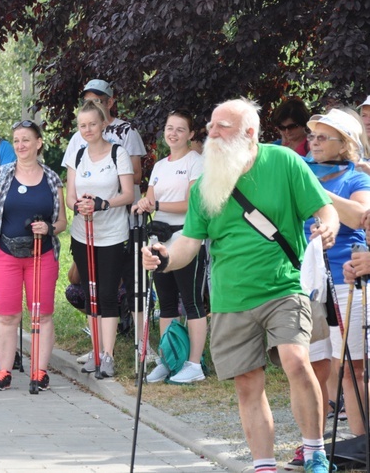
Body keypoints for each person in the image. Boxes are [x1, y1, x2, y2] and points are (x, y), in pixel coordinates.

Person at [142, 98, 339, 473]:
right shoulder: (205, 185)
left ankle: (314, 453)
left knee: (296, 362)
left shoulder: (284, 162)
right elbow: (188, 243)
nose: (212, 133)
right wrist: (164, 257)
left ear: (250, 132)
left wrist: (328, 225)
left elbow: (324, 206)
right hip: (230, 297)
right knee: (248, 384)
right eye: (211, 126)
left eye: (223, 126)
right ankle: (263, 465)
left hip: (284, 287)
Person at [0, 120, 67, 391]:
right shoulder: (2, 174)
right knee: (7, 316)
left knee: (42, 314)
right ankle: (4, 371)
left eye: (26, 140)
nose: (21, 145)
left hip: (42, 254)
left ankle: (40, 371)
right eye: (16, 140)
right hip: (5, 253)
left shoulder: (51, 179)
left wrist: (49, 228)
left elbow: (62, 222)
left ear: (38, 143)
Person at [304, 109, 370, 438]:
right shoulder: (301, 169)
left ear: (343, 144)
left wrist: (317, 192)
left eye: (321, 137)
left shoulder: (356, 177)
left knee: (352, 368)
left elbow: (361, 216)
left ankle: (359, 444)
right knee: (311, 368)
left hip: (347, 276)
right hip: (307, 280)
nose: (313, 142)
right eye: (311, 136)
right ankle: (314, 444)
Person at [136, 109, 206, 384]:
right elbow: (150, 199)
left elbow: (191, 204)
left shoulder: (196, 162)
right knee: (165, 304)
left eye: (180, 129)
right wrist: (144, 203)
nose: (173, 133)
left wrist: (154, 204)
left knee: (191, 302)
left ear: (190, 134)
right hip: (159, 238)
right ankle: (169, 359)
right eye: (169, 128)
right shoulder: (159, 166)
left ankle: (194, 364)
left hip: (187, 238)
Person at [65, 101, 135, 378]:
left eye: (92, 124)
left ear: (103, 124)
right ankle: (95, 352)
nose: (88, 130)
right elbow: (70, 195)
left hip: (112, 235)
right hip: (83, 233)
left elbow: (129, 194)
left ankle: (108, 355)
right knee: (89, 293)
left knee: (106, 294)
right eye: (82, 126)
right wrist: (78, 207)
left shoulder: (118, 153)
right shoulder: (78, 155)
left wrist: (103, 204)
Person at [61, 79, 147, 201]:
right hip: (89, 214)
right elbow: (71, 181)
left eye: (96, 100)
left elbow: (137, 176)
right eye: (86, 101)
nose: (90, 105)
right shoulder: (78, 137)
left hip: (122, 212)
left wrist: (102, 178)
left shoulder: (127, 131)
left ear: (110, 102)